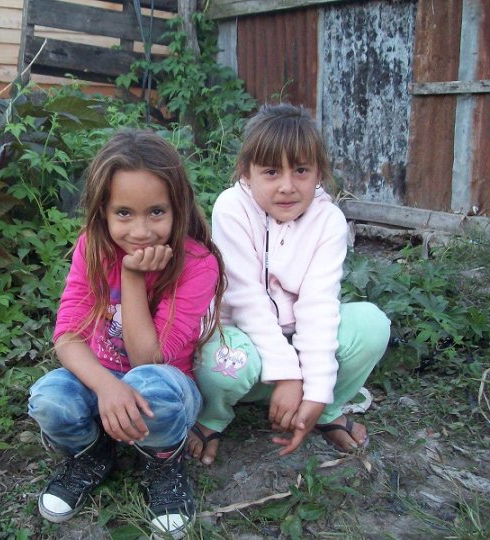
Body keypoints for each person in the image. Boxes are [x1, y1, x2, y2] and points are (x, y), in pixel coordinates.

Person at [28, 129, 225, 538]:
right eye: (124, 213)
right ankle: (94, 454)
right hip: (104, 381)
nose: (140, 231)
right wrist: (105, 388)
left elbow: (149, 361)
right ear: (103, 211)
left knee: (152, 388)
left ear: (179, 208)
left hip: (165, 388)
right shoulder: (93, 248)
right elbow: (67, 335)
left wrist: (132, 278)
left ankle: (163, 462)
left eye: (156, 212)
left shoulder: (198, 265)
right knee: (49, 400)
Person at [188, 103, 390, 466]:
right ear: (247, 174)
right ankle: (214, 416)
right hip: (243, 348)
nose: (287, 186)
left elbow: (318, 305)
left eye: (300, 170)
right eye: (270, 171)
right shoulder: (232, 208)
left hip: (298, 341)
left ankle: (323, 411)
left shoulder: (328, 220)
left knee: (372, 325)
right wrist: (286, 375)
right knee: (217, 365)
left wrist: (315, 390)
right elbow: (245, 298)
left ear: (318, 173)